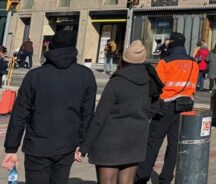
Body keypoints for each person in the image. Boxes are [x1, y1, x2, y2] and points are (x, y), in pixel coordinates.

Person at [3, 30, 96, 184]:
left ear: (50, 47)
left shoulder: (35, 75)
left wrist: (11, 148)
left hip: (37, 145)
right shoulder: (86, 75)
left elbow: (19, 114)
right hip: (67, 144)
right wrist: (83, 144)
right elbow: (87, 114)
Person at [77, 41, 163, 184]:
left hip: (110, 141)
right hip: (135, 139)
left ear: (124, 59)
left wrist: (84, 146)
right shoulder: (150, 80)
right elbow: (155, 107)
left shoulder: (116, 82)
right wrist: (141, 118)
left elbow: (100, 118)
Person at [135, 32, 198, 184]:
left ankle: (142, 175)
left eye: (168, 40)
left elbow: (156, 86)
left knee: (153, 142)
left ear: (172, 43)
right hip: (185, 106)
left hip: (165, 106)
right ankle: (166, 179)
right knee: (174, 144)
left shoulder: (166, 62)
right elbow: (193, 86)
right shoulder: (193, 63)